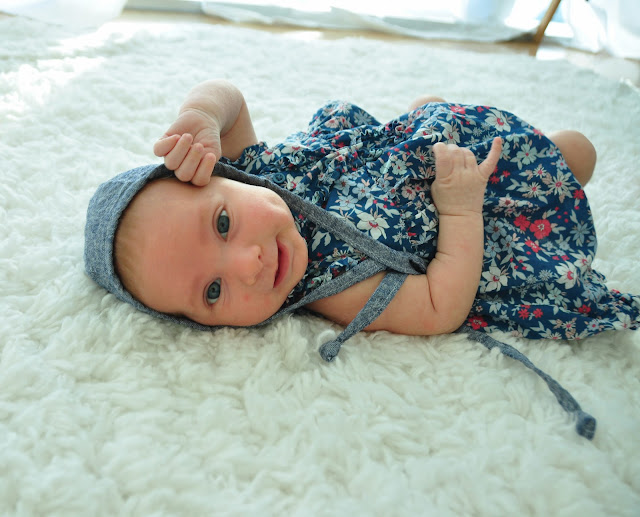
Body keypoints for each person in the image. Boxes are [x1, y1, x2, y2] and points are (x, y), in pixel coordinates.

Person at [84, 80, 639, 438]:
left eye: (223, 224)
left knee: (429, 112)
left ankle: (428, 116)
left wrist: (200, 114)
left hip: (401, 153)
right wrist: (462, 208)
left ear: (225, 174)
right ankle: (499, 148)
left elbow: (229, 99)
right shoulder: (334, 285)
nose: (249, 265)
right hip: (469, 202)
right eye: (213, 290)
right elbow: (440, 305)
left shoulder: (256, 166)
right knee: (576, 152)